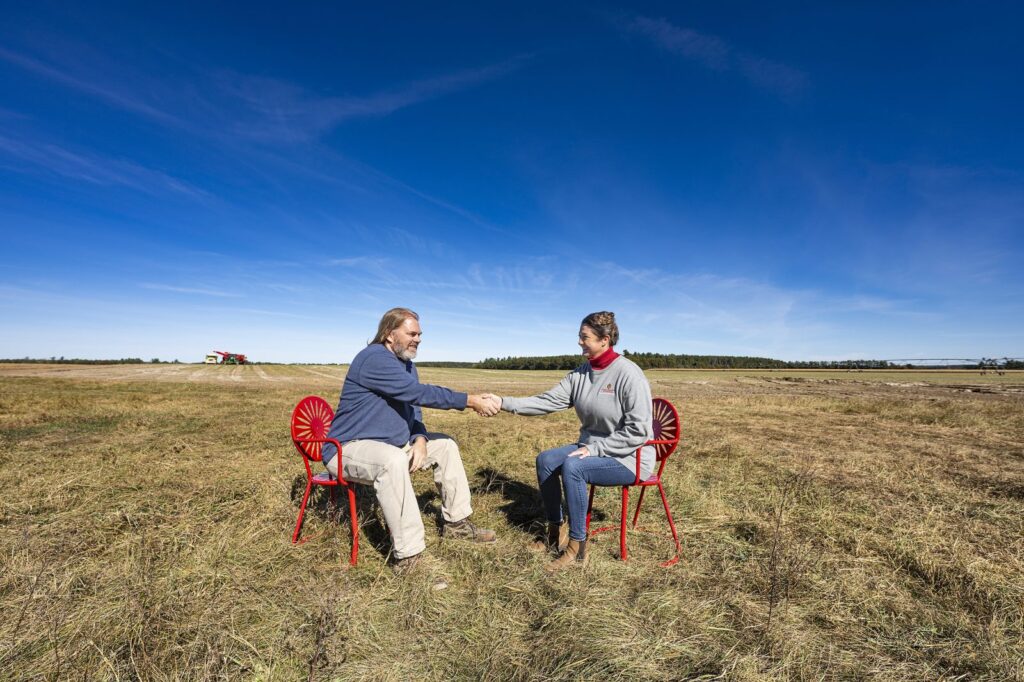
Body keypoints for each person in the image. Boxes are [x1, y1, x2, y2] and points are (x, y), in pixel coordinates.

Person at [321, 307, 500, 576]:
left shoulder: (407, 365)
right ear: (389, 334)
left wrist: (419, 438)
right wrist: (470, 401)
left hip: (390, 445)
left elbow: (413, 407)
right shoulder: (373, 359)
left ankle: (457, 525)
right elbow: (416, 392)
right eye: (412, 333)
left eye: (420, 334)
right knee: (390, 462)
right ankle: (409, 558)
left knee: (446, 446)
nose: (418, 339)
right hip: (347, 448)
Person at [486, 311, 653, 572]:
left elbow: (639, 431)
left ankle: (578, 548)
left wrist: (596, 448)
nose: (579, 342)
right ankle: (555, 533)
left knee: (573, 467)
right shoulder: (581, 374)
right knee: (547, 460)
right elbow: (546, 401)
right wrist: (503, 402)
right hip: (592, 449)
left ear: (604, 340)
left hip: (629, 457)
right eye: (579, 336)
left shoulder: (629, 374)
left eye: (584, 337)